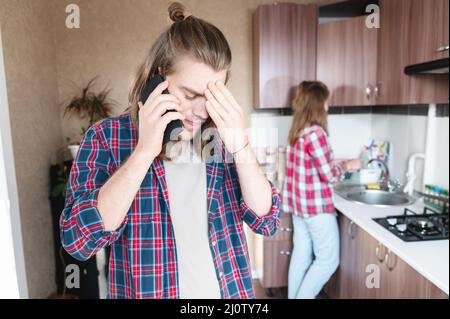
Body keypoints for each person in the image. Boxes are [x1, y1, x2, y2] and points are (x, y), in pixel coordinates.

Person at [60, 2, 280, 299]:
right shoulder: (107, 138)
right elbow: (78, 241)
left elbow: (266, 221)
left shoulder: (220, 139)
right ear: (158, 78)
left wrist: (240, 147)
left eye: (213, 95)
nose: (202, 111)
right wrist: (143, 153)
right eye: (190, 94)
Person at [282, 81, 361, 299]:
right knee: (328, 261)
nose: (328, 106)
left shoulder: (298, 132)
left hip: (300, 208)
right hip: (316, 209)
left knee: (301, 256)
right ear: (318, 103)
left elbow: (313, 166)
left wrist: (338, 162)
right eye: (326, 101)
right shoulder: (316, 133)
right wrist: (349, 166)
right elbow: (329, 174)